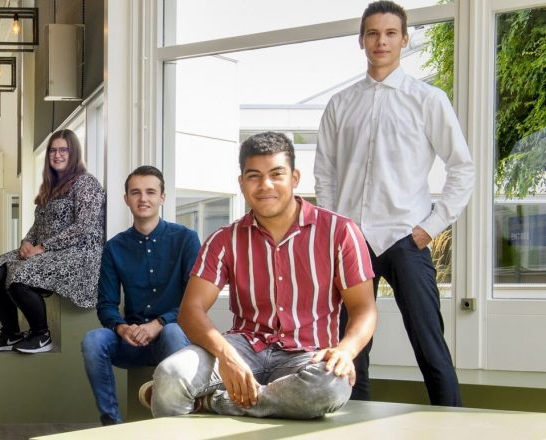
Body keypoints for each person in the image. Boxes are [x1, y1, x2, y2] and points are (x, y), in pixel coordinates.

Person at [141, 132, 378, 419]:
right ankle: (246, 398)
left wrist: (346, 350)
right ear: (241, 183)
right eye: (254, 176)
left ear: (295, 178)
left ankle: (215, 402)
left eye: (277, 174)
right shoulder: (223, 240)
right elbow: (190, 311)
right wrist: (228, 357)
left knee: (329, 387)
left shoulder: (340, 231)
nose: (265, 185)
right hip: (242, 346)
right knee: (169, 375)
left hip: (309, 354)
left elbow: (363, 308)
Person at [314, 0, 474, 406]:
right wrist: (335, 231)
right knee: (351, 350)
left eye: (389, 33)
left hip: (407, 238)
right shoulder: (340, 104)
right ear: (361, 40)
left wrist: (431, 227)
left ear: (404, 39)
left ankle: (454, 424)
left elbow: (462, 166)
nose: (380, 41)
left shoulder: (428, 99)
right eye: (372, 33)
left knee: (430, 345)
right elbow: (325, 175)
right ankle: (350, 426)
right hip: (352, 244)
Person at [81, 165, 199, 425]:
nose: (143, 199)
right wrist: (122, 329)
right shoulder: (114, 248)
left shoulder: (186, 239)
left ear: (162, 197)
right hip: (131, 341)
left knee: (171, 331)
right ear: (126, 199)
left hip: (173, 337)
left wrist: (158, 323)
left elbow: (194, 302)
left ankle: (179, 422)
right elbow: (107, 305)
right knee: (93, 340)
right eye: (135, 192)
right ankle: (111, 423)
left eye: (150, 192)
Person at [0, 129, 105, 353]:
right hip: (44, 250)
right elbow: (37, 227)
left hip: (78, 253)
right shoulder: (51, 188)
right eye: (53, 150)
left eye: (63, 150)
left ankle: (41, 335)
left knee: (20, 275)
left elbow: (83, 227)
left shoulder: (86, 183)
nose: (57, 155)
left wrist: (43, 247)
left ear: (73, 152)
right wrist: (26, 243)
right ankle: (10, 333)